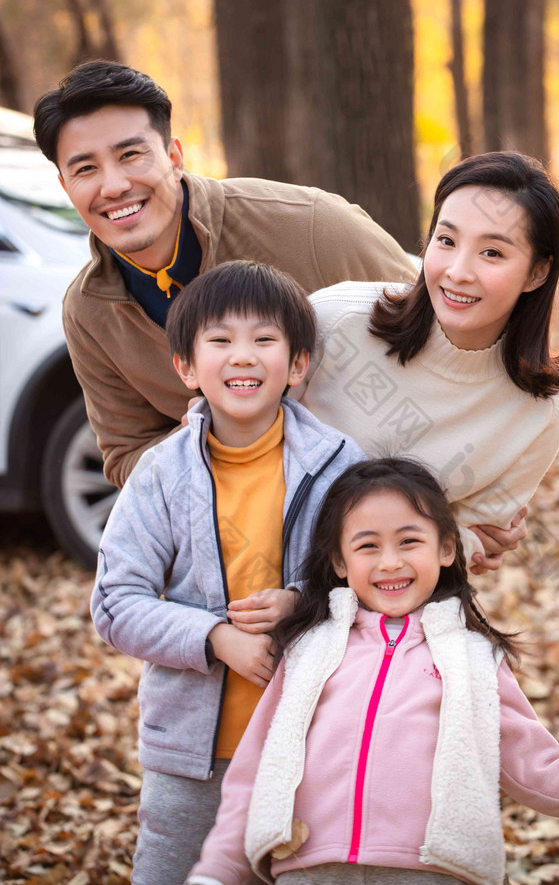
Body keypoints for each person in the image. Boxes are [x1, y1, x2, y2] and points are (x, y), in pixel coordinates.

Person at [186, 458, 559, 885]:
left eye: (409, 541)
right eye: (367, 546)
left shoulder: (471, 658)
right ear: (340, 562)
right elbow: (256, 773)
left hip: (431, 871)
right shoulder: (311, 650)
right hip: (309, 867)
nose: (389, 562)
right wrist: (217, 872)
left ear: (447, 549)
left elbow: (543, 774)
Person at [90, 261, 366, 885]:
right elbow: (114, 602)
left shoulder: (341, 464)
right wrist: (215, 638)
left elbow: (372, 583)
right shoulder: (162, 474)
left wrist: (303, 602)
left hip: (313, 743)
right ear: (187, 367)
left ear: (297, 365)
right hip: (195, 755)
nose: (243, 356)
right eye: (220, 340)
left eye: (265, 339)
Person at [33, 60, 414, 489]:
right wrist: (209, 439)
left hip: (389, 506)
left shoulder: (308, 223)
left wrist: (476, 497)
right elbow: (126, 454)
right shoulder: (89, 312)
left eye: (130, 155)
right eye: (85, 169)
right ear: (66, 188)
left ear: (174, 157)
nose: (114, 185)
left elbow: (437, 332)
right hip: (243, 536)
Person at [296, 152, 559, 573]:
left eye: (493, 253)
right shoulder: (334, 323)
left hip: (395, 613)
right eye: (446, 241)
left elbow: (468, 545)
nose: (458, 272)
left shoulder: (543, 407)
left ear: (537, 273)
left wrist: (462, 544)